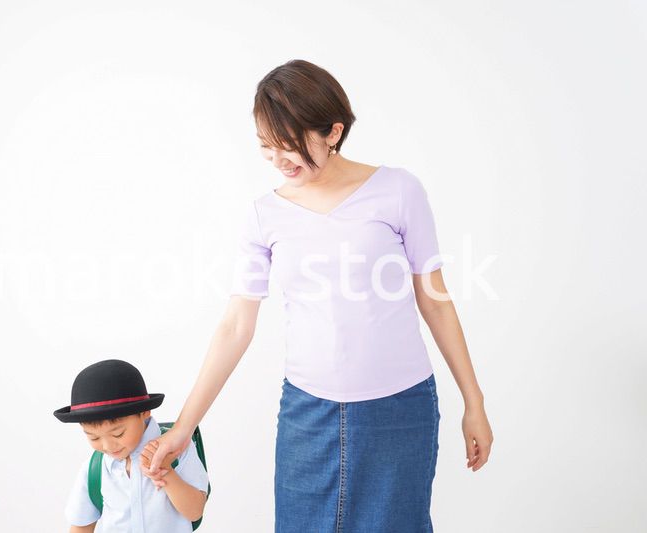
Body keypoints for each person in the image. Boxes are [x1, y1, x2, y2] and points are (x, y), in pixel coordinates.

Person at [141, 59, 494, 532]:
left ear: (333, 130)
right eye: (268, 149)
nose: (280, 161)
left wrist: (474, 402)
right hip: (308, 412)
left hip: (400, 409)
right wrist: (182, 428)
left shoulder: (399, 191)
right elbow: (235, 326)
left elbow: (435, 301)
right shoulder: (265, 215)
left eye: (291, 146)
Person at [54, 359, 209, 533]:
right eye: (94, 437)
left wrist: (166, 472)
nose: (108, 446)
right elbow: (81, 526)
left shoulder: (177, 450)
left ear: (145, 412)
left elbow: (195, 512)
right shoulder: (94, 469)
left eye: (118, 434)